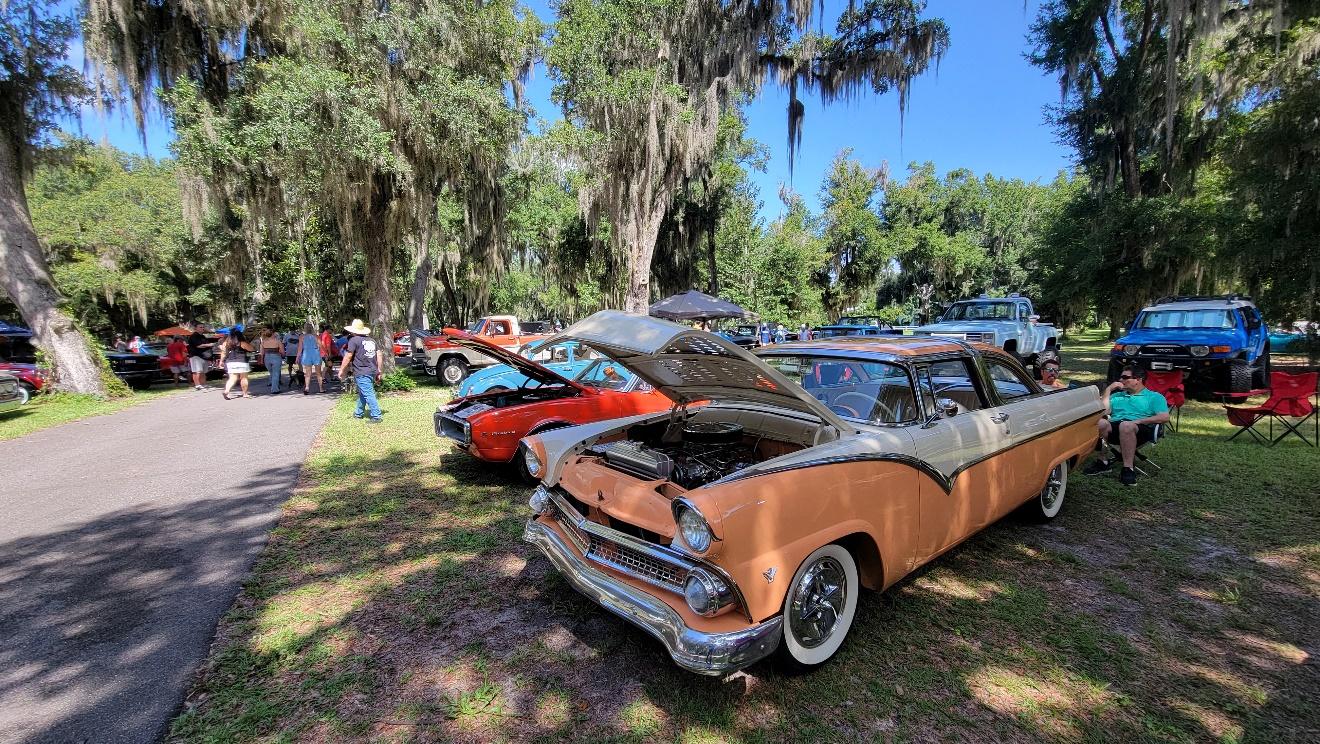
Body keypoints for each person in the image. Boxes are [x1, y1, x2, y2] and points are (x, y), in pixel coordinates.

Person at [1083, 365, 1171, 486]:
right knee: (1101, 422)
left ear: (1138, 379)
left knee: (1126, 426)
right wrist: (1108, 390)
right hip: (1116, 426)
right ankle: (1103, 461)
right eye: (1121, 377)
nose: (1121, 380)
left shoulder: (1154, 397)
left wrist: (1138, 422)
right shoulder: (1118, 396)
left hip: (1140, 429)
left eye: (1125, 377)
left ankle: (1128, 469)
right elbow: (1103, 412)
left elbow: (1164, 417)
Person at [338, 318, 383, 423]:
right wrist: (379, 370)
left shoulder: (353, 340)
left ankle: (376, 416)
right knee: (363, 392)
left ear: (353, 331)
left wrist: (341, 370)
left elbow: (348, 356)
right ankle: (358, 413)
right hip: (372, 370)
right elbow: (379, 354)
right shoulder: (372, 340)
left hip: (361, 371)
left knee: (368, 393)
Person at [219, 329, 254, 400]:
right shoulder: (242, 343)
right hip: (242, 361)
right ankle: (245, 393)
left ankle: (226, 391)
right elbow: (251, 349)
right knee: (243, 378)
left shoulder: (226, 343)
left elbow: (223, 353)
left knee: (232, 378)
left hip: (230, 362)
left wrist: (221, 361)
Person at [296, 322, 324, 394]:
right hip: (315, 353)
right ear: (312, 328)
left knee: (308, 373)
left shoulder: (302, 337)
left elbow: (300, 348)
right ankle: (321, 388)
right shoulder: (316, 336)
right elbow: (321, 346)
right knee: (318, 373)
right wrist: (325, 354)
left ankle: (307, 387)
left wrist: (297, 357)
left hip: (306, 354)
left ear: (304, 329)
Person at [260, 328, 285, 394]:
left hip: (267, 358)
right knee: (275, 373)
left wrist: (262, 360)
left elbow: (262, 352)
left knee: (272, 372)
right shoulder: (278, 341)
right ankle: (275, 389)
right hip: (276, 357)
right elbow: (282, 351)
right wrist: (283, 356)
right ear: (273, 334)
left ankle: (274, 385)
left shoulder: (263, 342)